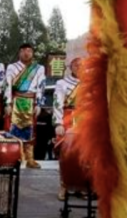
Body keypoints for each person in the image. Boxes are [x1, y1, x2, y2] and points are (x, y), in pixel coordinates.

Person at [5, 43, 47, 169]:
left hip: (31, 101)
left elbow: (41, 86)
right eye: (23, 50)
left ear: (32, 53)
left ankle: (30, 159)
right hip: (16, 100)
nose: (26, 53)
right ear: (19, 53)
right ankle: (14, 157)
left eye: (29, 50)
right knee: (13, 130)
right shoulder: (12, 67)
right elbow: (7, 85)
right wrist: (8, 102)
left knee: (31, 131)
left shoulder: (39, 68)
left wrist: (39, 103)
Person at [51, 57, 83, 200]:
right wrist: (58, 123)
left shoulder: (90, 83)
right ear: (71, 67)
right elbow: (57, 103)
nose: (79, 67)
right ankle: (64, 186)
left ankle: (82, 186)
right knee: (65, 154)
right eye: (76, 65)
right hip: (67, 118)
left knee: (84, 154)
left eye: (82, 65)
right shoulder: (62, 83)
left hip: (84, 120)